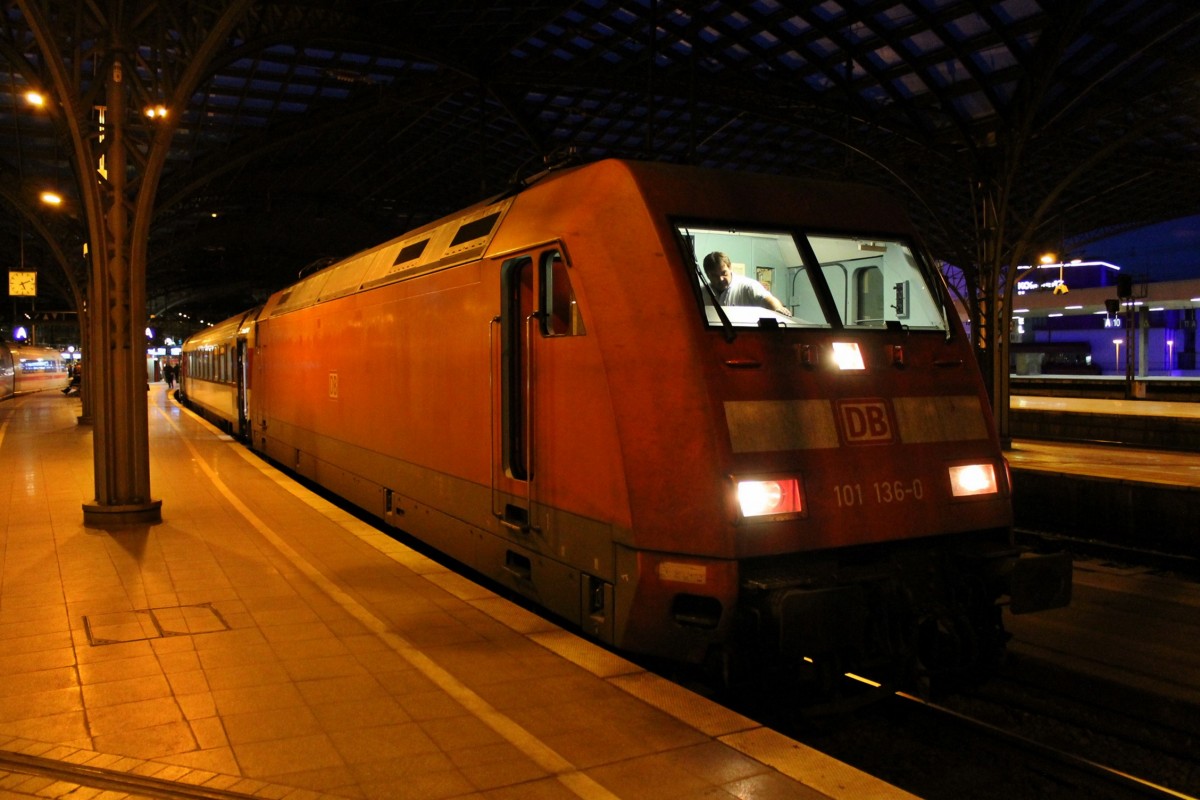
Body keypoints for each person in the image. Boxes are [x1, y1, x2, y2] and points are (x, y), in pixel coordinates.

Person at [702, 251, 792, 316]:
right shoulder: (701, 293)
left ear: (730, 268)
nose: (720, 279)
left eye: (724, 273)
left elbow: (767, 299)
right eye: (714, 276)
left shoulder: (748, 286)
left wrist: (779, 310)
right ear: (707, 275)